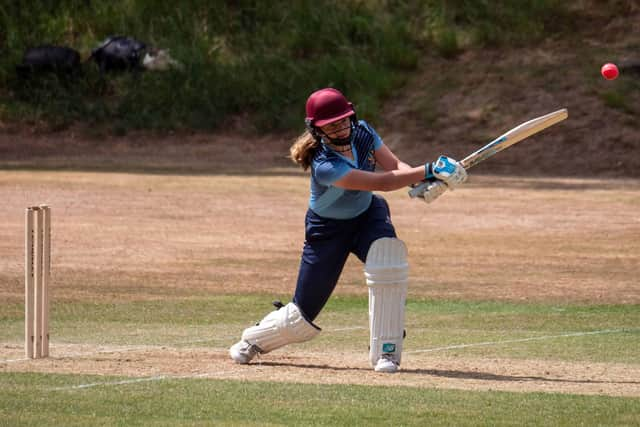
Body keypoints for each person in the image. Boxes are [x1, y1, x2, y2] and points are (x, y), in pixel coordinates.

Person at [229, 87, 467, 372]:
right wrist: (429, 169)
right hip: (327, 231)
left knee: (388, 262)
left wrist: (419, 181)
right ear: (317, 129)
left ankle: (386, 351)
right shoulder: (324, 164)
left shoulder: (363, 132)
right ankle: (253, 340)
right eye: (332, 124)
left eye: (344, 120)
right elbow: (382, 182)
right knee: (301, 316)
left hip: (368, 215)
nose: (341, 128)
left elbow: (393, 166)